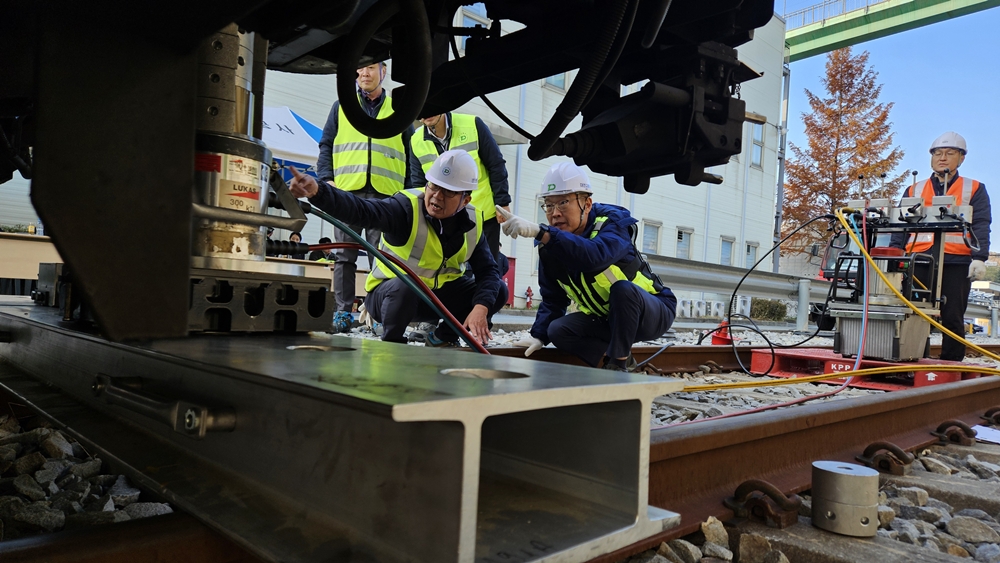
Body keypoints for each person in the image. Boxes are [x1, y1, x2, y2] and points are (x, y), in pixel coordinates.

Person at [289, 149, 505, 346]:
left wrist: (481, 307)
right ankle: (392, 345)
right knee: (405, 286)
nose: (437, 196)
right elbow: (361, 210)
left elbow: (488, 271)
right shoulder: (405, 208)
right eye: (434, 185)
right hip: (390, 297)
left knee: (496, 292)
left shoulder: (473, 222)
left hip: (437, 300)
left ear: (465, 200)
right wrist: (318, 192)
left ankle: (442, 338)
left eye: (448, 192)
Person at [498, 162, 677, 371]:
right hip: (608, 319)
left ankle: (617, 365)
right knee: (558, 330)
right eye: (548, 205)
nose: (554, 213)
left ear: (587, 204)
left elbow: (594, 256)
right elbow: (553, 298)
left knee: (623, 289)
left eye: (563, 203)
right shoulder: (550, 248)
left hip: (652, 311)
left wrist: (543, 233)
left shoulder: (612, 224)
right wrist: (539, 335)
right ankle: (622, 359)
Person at [317, 60, 414, 330]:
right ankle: (343, 313)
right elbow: (326, 144)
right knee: (344, 255)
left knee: (381, 258)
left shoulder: (399, 109)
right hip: (347, 192)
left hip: (385, 197)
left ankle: (378, 314)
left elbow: (412, 152)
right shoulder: (341, 107)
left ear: (384, 71)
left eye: (371, 67)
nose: (364, 73)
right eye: (359, 68)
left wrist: (407, 193)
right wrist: (326, 179)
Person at [890, 132, 991, 361]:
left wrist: (980, 257)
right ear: (931, 157)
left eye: (950, 153)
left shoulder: (974, 189)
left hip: (957, 261)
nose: (942, 158)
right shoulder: (914, 189)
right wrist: (896, 255)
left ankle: (951, 363)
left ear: (961, 158)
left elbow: (981, 224)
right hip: (919, 260)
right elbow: (900, 225)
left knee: (952, 315)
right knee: (915, 313)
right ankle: (913, 358)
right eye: (938, 153)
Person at [410, 112, 511, 263]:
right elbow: (418, 183)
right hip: (446, 220)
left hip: (483, 216)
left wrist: (502, 203)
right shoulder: (416, 140)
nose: (427, 113)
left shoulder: (473, 125)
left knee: (487, 269)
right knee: (454, 272)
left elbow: (496, 164)